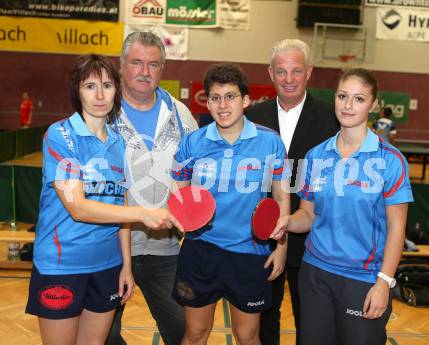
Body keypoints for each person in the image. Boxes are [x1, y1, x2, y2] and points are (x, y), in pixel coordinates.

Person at [25, 54, 182, 345]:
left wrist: (125, 265)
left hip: (107, 265)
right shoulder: (60, 136)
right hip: (62, 265)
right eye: (89, 86)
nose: (99, 95)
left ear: (116, 92)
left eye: (107, 86)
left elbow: (118, 206)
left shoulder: (118, 141)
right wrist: (143, 213)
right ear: (77, 91)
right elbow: (78, 207)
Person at [272, 68, 413, 345]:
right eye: (342, 96)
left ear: (373, 105)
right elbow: (308, 214)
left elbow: (398, 228)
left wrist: (384, 282)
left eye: (359, 99)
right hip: (315, 275)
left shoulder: (392, 161)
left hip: (364, 279)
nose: (348, 105)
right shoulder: (315, 156)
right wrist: (288, 221)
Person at [171, 63, 291, 345]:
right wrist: (185, 226)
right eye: (215, 97)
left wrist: (282, 247)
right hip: (201, 251)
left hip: (250, 253)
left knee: (247, 336)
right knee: (195, 333)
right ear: (207, 102)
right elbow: (180, 190)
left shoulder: (270, 142)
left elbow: (281, 196)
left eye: (230, 96)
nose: (222, 105)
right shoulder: (193, 142)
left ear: (246, 100)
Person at [106, 32, 198, 345]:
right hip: (111, 249)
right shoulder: (102, 114)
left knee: (186, 332)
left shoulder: (181, 115)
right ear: (121, 66)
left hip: (167, 248)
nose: (145, 71)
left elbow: (197, 175)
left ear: (162, 69)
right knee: (103, 335)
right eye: (137, 63)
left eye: (153, 64)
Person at [246, 38, 339, 345]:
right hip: (263, 236)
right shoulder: (252, 118)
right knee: (264, 321)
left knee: (311, 325)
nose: (288, 79)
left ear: (309, 72)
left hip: (313, 237)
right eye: (281, 71)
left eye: (296, 71)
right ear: (270, 73)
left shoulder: (332, 118)